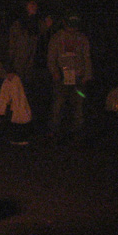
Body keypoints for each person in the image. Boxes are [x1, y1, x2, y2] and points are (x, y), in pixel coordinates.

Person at [47, 13, 93, 142]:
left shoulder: (82, 38)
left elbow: (87, 57)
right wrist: (54, 72)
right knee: (58, 104)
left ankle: (77, 132)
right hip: (62, 76)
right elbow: (51, 57)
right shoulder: (57, 37)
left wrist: (87, 75)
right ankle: (54, 130)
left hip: (78, 76)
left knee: (78, 106)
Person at [8, 0, 53, 129]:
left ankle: (32, 125)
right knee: (19, 97)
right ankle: (20, 126)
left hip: (35, 66)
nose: (33, 6)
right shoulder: (19, 25)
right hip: (21, 66)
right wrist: (10, 67)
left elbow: (43, 42)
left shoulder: (39, 24)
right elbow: (12, 47)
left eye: (35, 4)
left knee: (34, 97)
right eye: (30, 4)